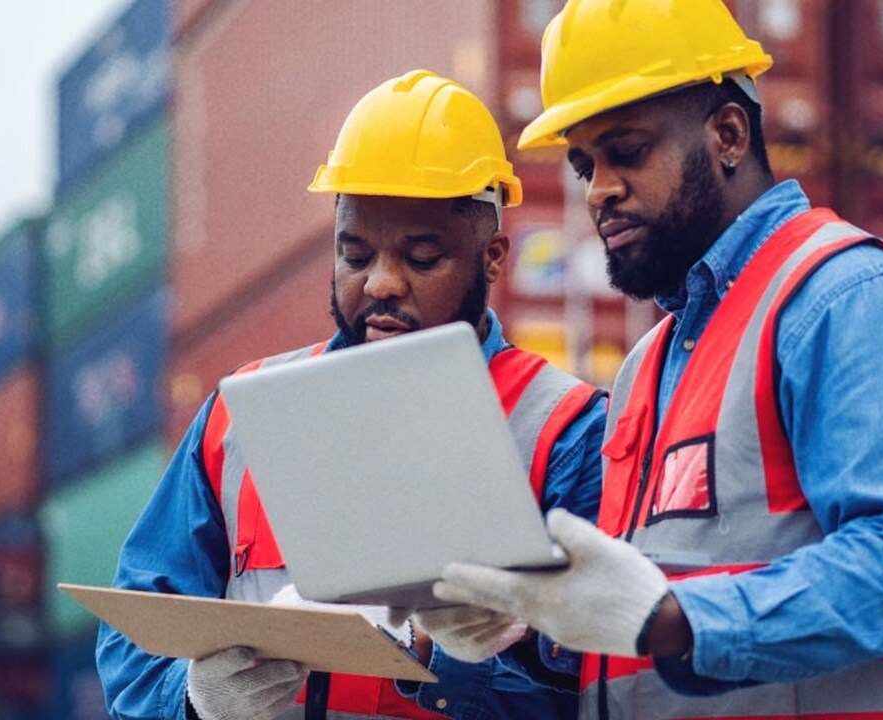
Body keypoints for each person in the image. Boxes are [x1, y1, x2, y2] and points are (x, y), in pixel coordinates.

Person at [418, 1, 883, 717]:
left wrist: (673, 620)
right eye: (585, 165)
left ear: (729, 134)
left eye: (627, 151)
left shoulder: (850, 299)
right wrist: (532, 629)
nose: (598, 190)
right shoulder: (647, 366)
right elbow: (642, 624)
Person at [95, 69, 609, 720]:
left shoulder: (568, 431)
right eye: (356, 255)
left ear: (492, 258)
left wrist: (497, 651)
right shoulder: (236, 420)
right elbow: (136, 637)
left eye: (422, 257)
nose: (381, 283)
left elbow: (623, 677)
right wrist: (194, 701)